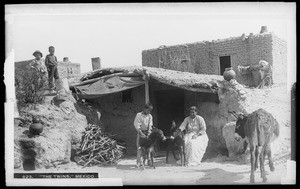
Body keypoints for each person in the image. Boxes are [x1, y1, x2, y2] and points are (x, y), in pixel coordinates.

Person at [133, 102, 153, 168]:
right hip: (141, 133)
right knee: (139, 148)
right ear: (144, 108)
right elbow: (137, 124)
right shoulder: (139, 115)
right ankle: (138, 163)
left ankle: (149, 161)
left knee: (149, 148)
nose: (149, 111)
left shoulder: (150, 116)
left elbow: (150, 125)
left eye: (150, 110)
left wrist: (149, 132)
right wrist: (141, 133)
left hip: (148, 134)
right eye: (148, 110)